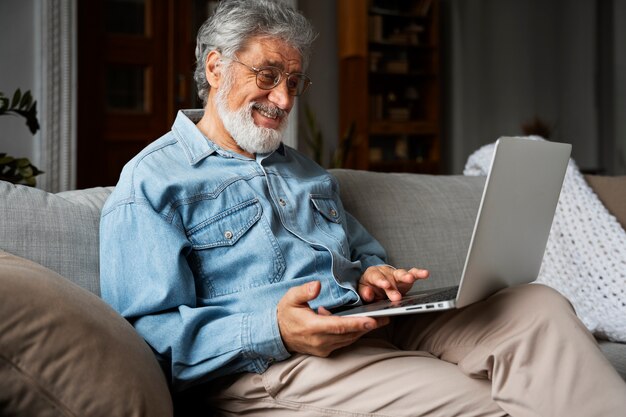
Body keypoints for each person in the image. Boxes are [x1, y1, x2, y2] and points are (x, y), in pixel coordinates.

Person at [99, 1, 626, 416]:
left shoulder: (305, 171)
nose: (283, 100)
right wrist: (274, 329)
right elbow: (147, 334)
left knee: (537, 306)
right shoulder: (151, 181)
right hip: (273, 365)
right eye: (267, 75)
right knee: (494, 401)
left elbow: (361, 253)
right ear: (215, 67)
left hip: (367, 324)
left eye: (293, 82)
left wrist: (377, 275)